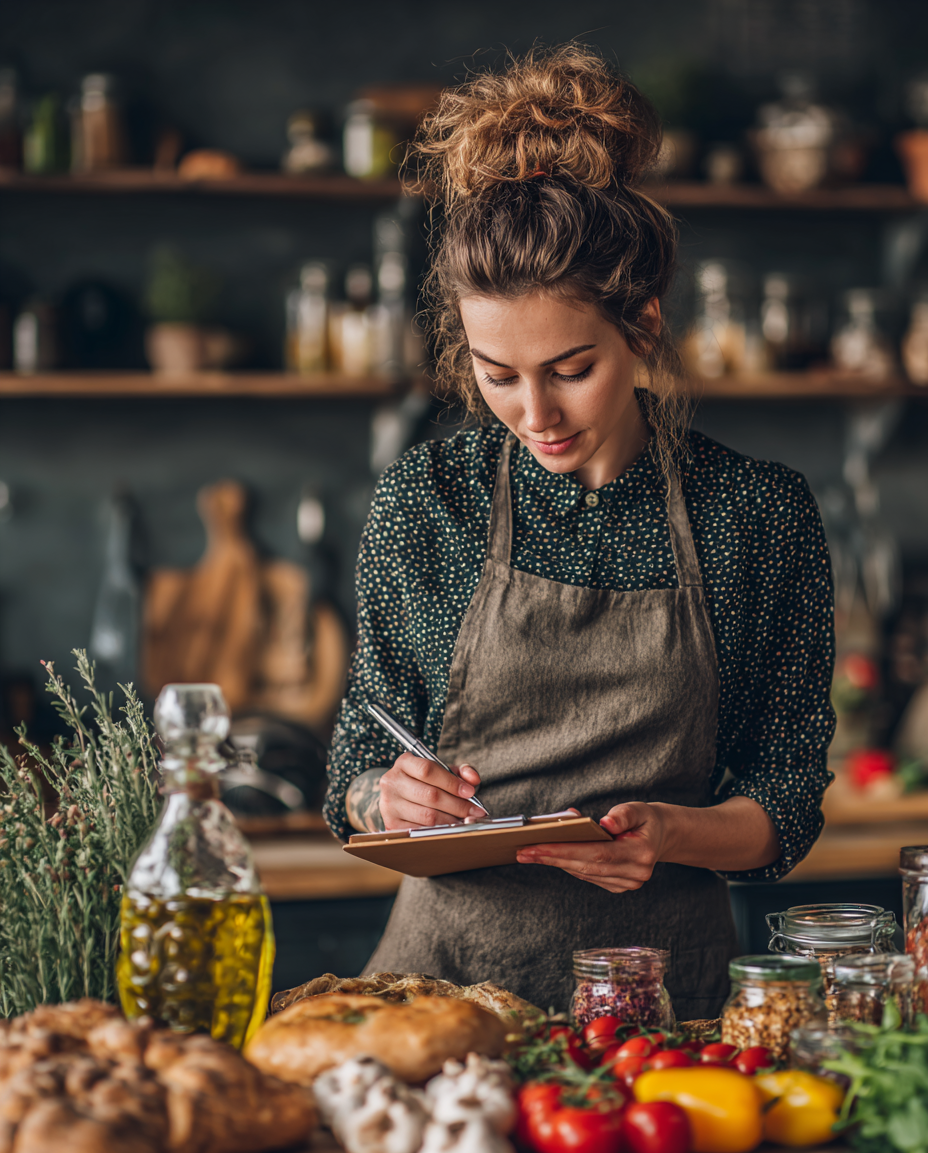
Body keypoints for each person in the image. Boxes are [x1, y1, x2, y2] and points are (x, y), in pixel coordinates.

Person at [323, 45, 835, 1020]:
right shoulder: (427, 499)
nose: (534, 411)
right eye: (497, 373)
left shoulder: (756, 514)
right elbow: (358, 744)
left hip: (665, 1010)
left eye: (569, 367)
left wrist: (671, 837)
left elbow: (784, 799)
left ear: (640, 324)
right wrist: (384, 800)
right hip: (440, 996)